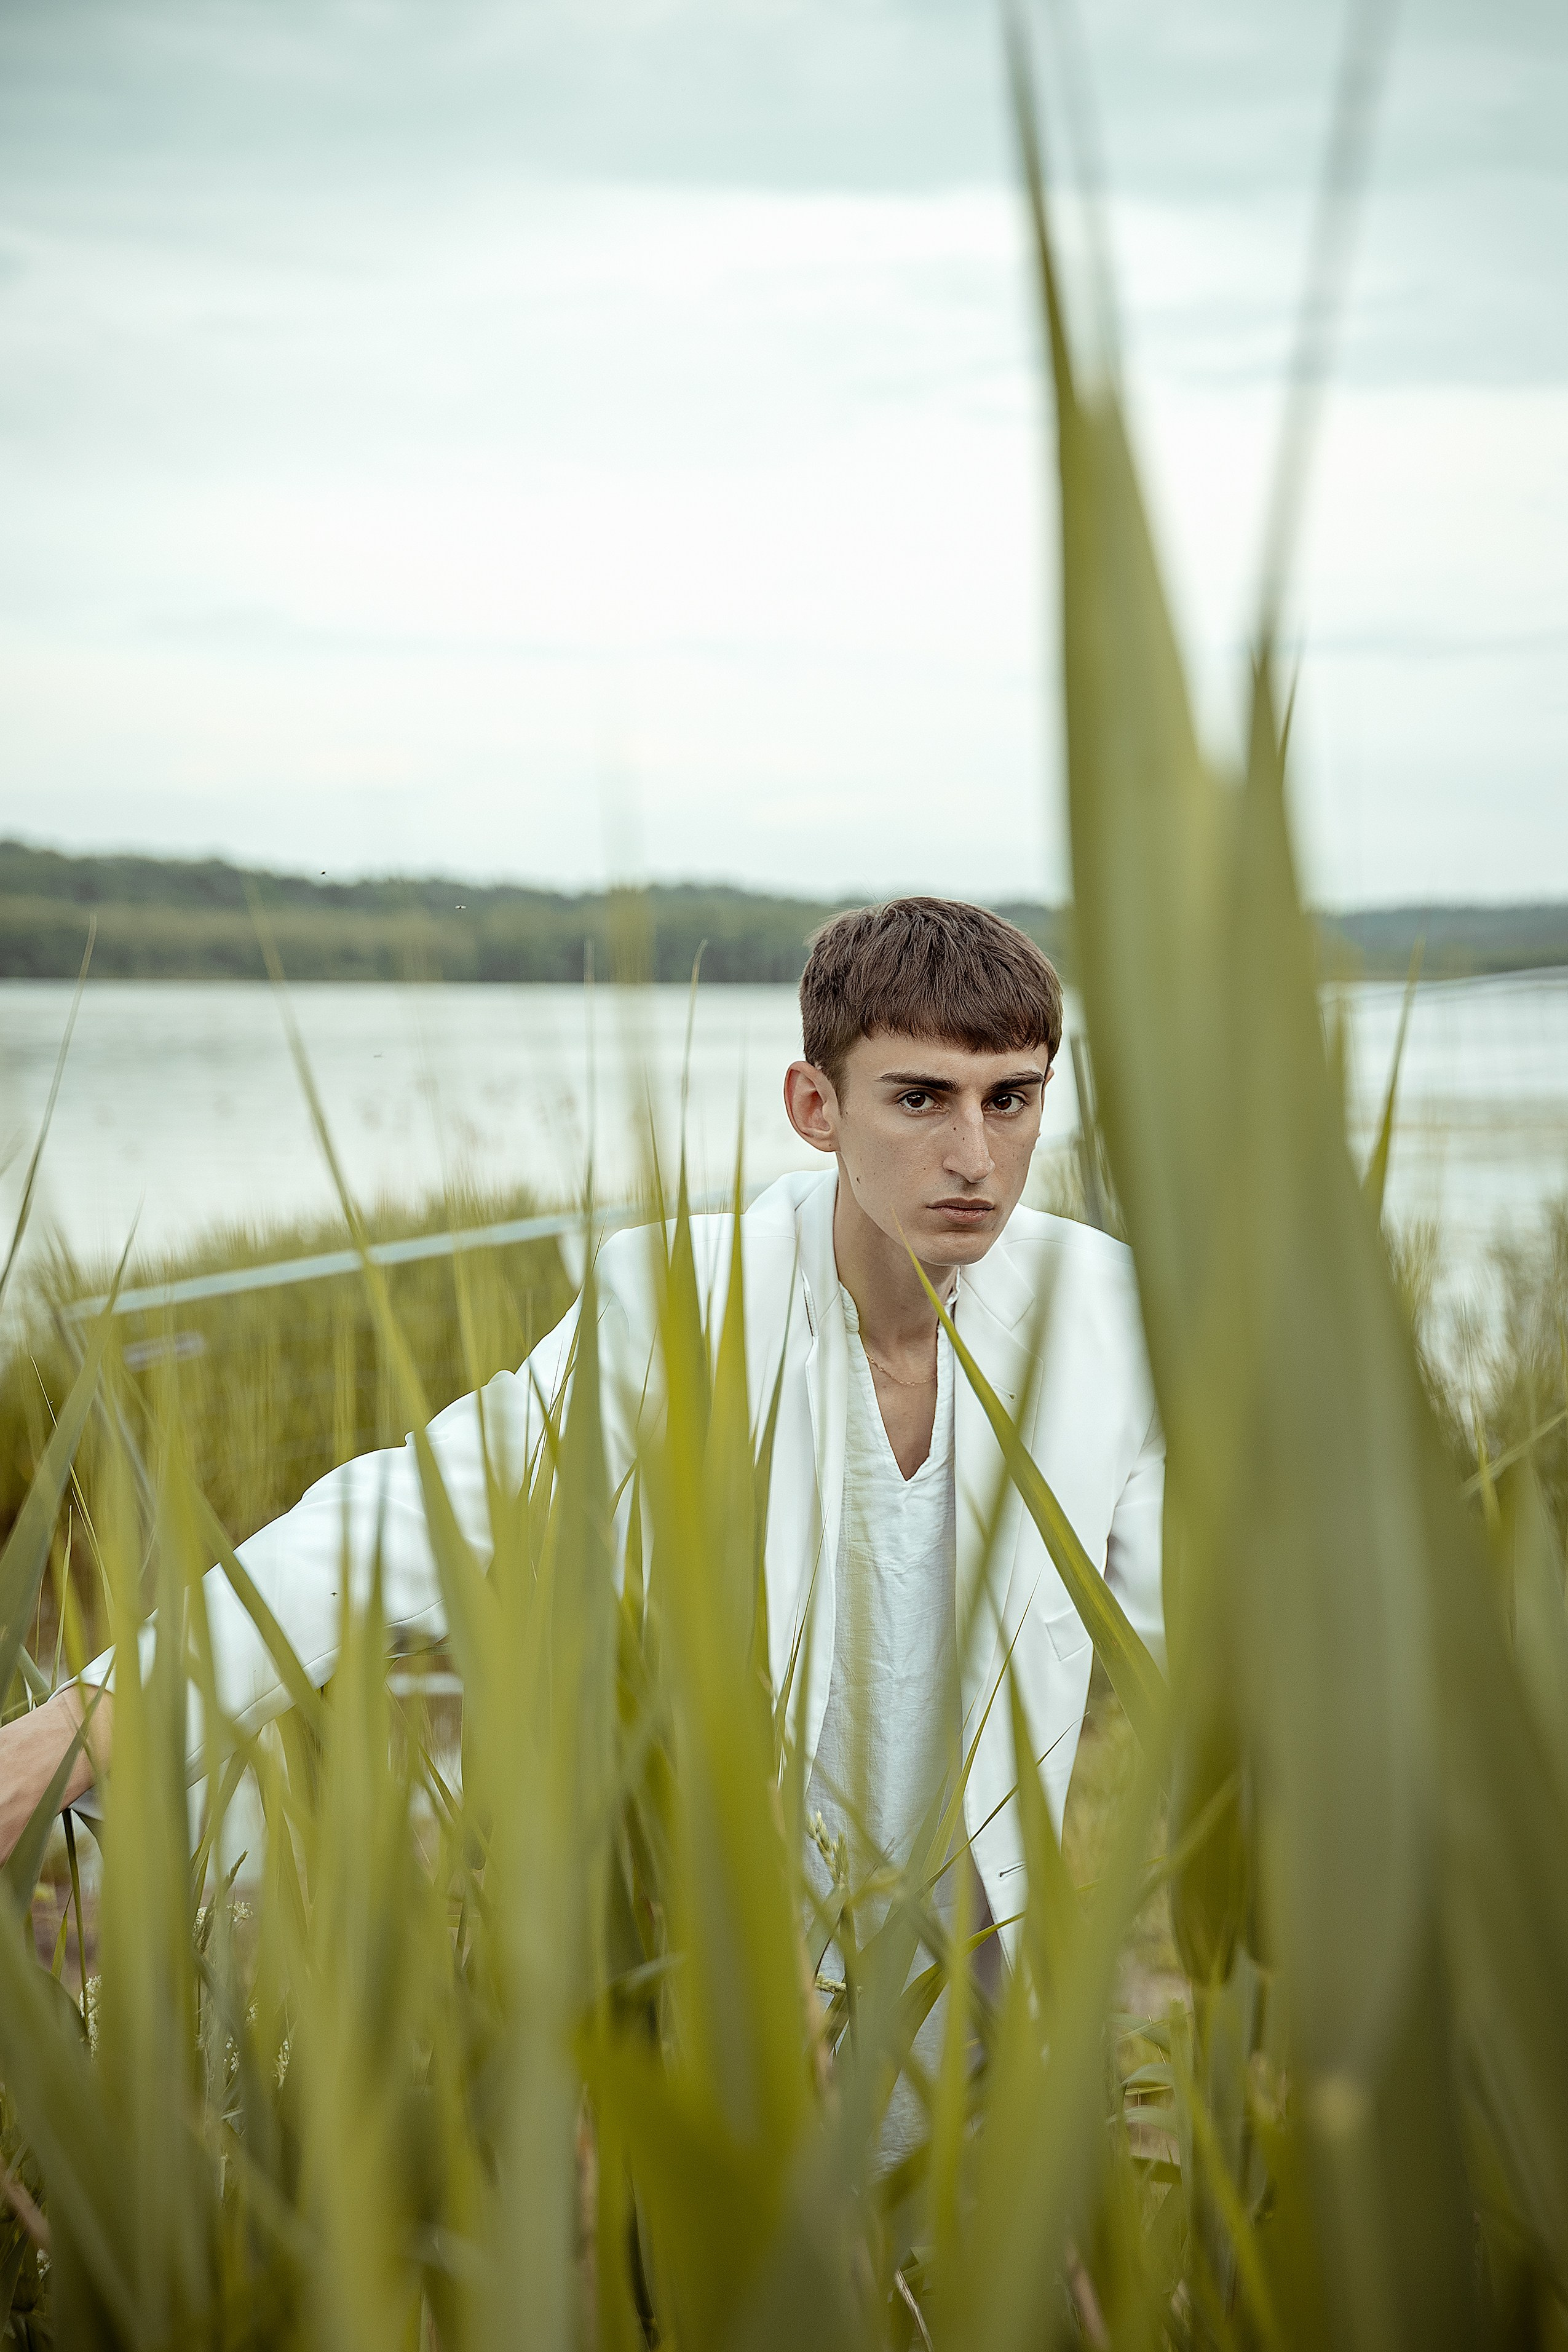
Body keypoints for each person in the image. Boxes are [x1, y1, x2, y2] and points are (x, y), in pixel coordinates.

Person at [0, 898, 1164, 2028]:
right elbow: (408, 1515)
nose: (974, 1154)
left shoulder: (1105, 1313)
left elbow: (1219, 1638)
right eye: (920, 1098)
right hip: (734, 1987)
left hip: (990, 1986)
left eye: (1010, 1100)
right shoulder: (688, 1305)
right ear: (816, 1106)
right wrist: (85, 1721)